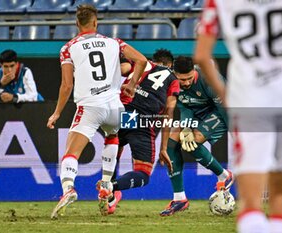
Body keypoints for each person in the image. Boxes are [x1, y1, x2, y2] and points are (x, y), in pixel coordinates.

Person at [194, 1, 282, 232]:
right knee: (280, 197)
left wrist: (226, 96)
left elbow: (202, 56)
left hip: (249, 99)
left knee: (252, 203)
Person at [47, 4, 147, 219]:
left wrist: (56, 113)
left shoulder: (68, 48)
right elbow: (141, 60)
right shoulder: (114, 42)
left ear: (77, 24)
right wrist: (132, 85)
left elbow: (66, 85)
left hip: (90, 106)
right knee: (112, 138)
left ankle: (68, 190)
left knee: (71, 153)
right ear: (95, 22)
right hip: (115, 106)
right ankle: (106, 186)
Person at [102, 53, 179, 215]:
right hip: (143, 121)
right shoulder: (173, 79)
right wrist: (164, 147)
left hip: (121, 110)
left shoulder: (142, 63)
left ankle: (110, 194)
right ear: (170, 66)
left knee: (116, 145)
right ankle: (111, 187)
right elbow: (169, 112)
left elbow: (124, 67)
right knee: (143, 174)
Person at [160, 56, 233, 216]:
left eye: (189, 78)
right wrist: (186, 126)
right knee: (172, 142)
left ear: (194, 71)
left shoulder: (209, 80)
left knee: (191, 141)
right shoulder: (172, 84)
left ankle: (223, 175)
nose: (185, 83)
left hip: (220, 113)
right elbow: (184, 107)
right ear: (174, 74)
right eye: (181, 79)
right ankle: (179, 199)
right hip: (197, 114)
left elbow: (225, 107)